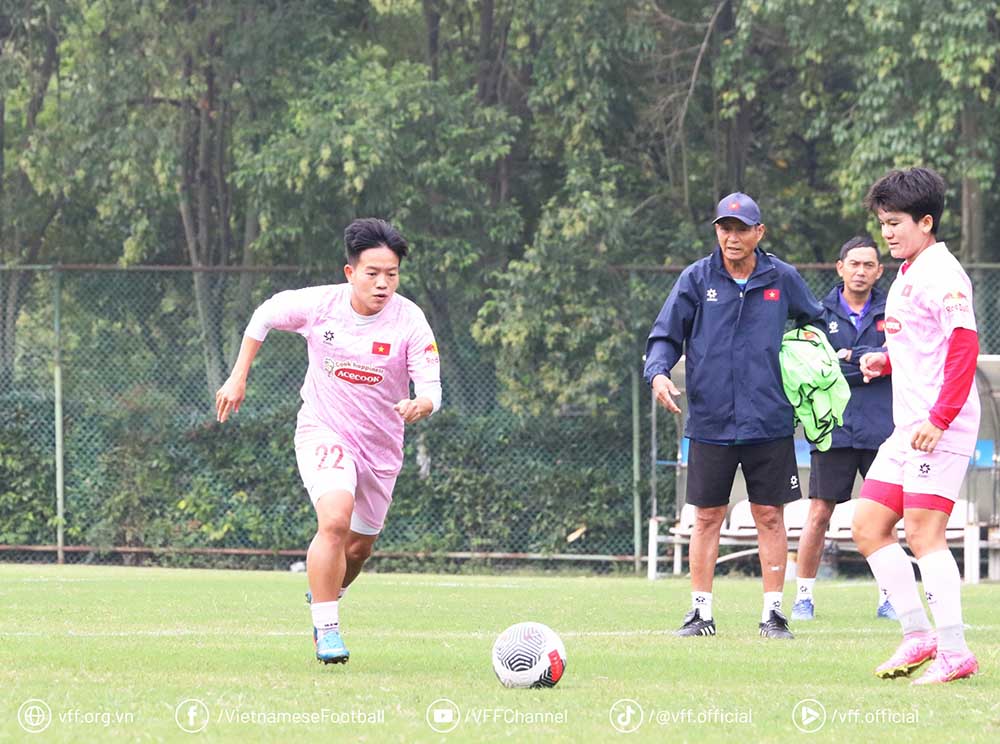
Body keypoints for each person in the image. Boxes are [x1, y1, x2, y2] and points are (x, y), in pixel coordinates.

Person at [215, 218, 442, 664]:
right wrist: (238, 375)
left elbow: (432, 385)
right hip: (324, 429)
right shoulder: (321, 305)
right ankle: (327, 628)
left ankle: (325, 593)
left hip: (381, 447)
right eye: (372, 273)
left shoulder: (410, 320)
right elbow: (263, 315)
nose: (382, 284)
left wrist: (423, 404)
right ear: (349, 272)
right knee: (334, 521)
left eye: (391, 275)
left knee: (356, 551)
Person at [644, 192, 823, 639]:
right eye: (725, 228)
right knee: (707, 516)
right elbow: (665, 335)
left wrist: (816, 364)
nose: (733, 236)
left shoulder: (782, 277)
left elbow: (815, 322)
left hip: (769, 419)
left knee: (769, 514)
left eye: (742, 228)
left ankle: (774, 615)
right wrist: (658, 374)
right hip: (711, 419)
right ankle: (700, 614)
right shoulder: (695, 278)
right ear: (716, 231)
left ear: (759, 232)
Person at [853, 167, 980, 684]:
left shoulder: (943, 274)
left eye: (896, 222)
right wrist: (884, 359)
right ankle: (917, 636)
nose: (887, 232)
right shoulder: (908, 271)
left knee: (924, 533)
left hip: (938, 427)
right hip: (907, 428)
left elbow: (963, 347)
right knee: (868, 527)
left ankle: (954, 650)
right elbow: (922, 343)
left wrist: (939, 417)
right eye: (883, 222)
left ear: (926, 222)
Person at [791, 236, 896, 621]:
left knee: (885, 516)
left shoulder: (894, 309)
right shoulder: (818, 312)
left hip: (883, 427)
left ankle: (889, 597)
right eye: (854, 264)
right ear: (840, 267)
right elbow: (815, 366)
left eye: (869, 265)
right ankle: (803, 597)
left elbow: (902, 358)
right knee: (819, 513)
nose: (861, 271)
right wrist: (865, 363)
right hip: (832, 426)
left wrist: (856, 360)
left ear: (879, 271)